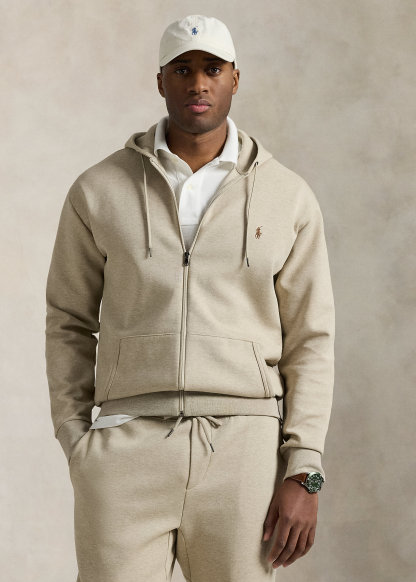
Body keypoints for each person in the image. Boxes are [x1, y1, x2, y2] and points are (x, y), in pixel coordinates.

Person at [45, 14, 335, 582]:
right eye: (182, 69)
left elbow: (311, 338)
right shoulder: (98, 190)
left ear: (234, 79)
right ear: (160, 81)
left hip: (243, 450)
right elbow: (68, 321)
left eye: (212, 69)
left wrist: (305, 468)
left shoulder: (287, 196)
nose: (197, 83)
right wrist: (75, 436)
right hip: (125, 444)